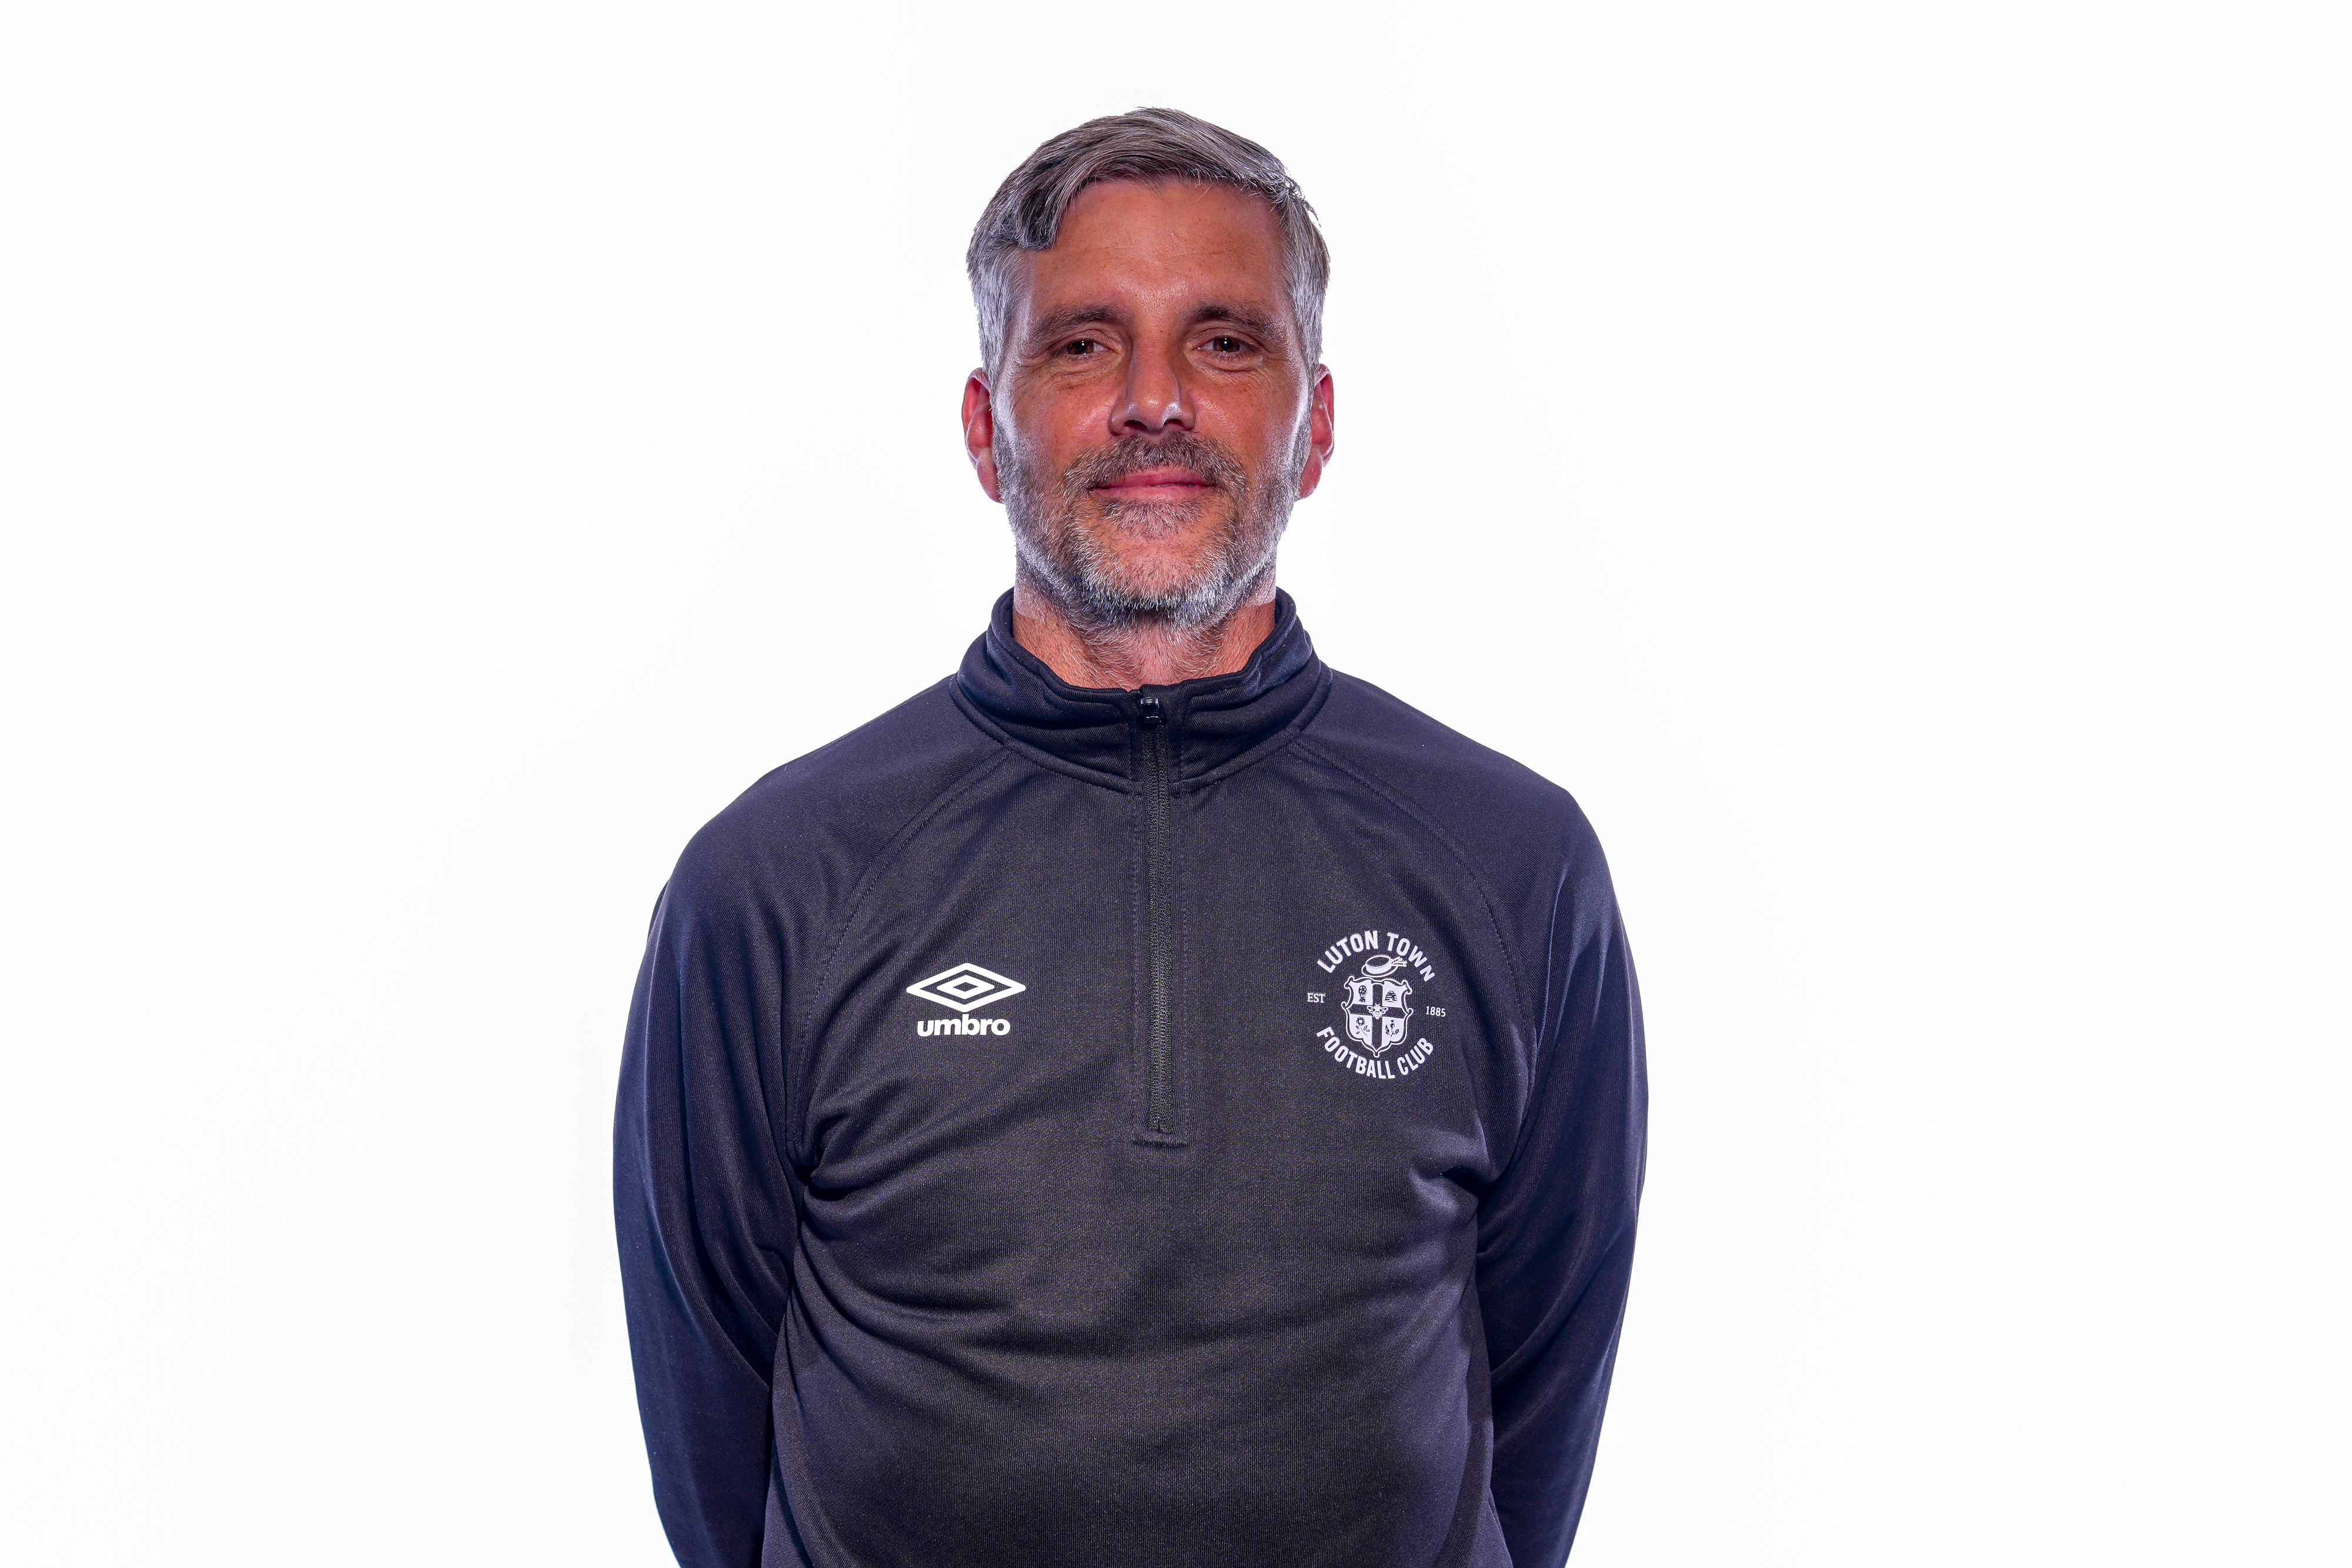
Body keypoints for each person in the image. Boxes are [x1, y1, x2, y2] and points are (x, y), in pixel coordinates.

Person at [614, 107, 1647, 1568]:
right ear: (987, 427)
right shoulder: (776, 880)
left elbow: (1534, 1394)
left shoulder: (1513, 864)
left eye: (1223, 342)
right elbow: (713, 1427)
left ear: (1317, 420)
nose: (1152, 400)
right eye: (1082, 343)